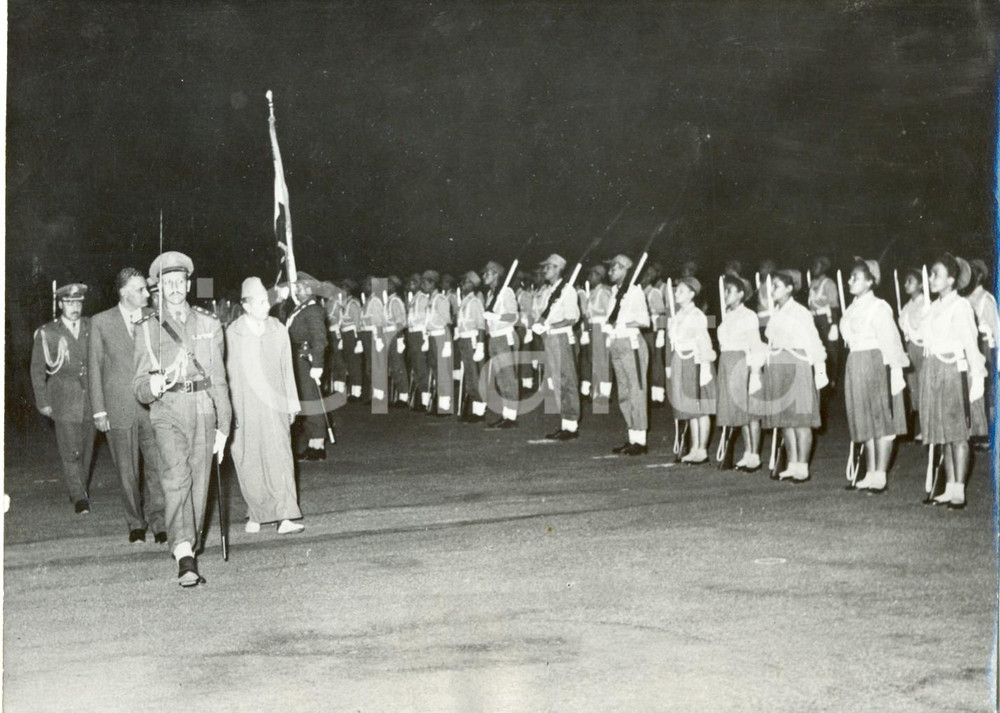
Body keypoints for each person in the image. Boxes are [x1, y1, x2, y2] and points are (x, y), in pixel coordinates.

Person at [133, 251, 230, 587]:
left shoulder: (208, 324)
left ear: (188, 284)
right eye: (167, 282)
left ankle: (190, 540)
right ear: (158, 286)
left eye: (180, 281)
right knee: (176, 477)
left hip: (203, 407)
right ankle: (184, 552)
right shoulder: (147, 328)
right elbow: (139, 387)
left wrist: (225, 426)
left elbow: (218, 379)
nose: (174, 287)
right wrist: (153, 385)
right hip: (168, 412)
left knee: (200, 483)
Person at [89, 268, 166, 542]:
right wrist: (99, 410)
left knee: (157, 466)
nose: (147, 293)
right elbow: (95, 367)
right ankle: (135, 523)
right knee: (127, 470)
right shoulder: (100, 322)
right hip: (119, 407)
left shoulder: (153, 319)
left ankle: (160, 522)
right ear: (123, 292)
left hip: (151, 405)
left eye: (146, 288)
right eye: (140, 289)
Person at [226, 277, 304, 535]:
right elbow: (226, 375)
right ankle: (256, 513)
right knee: (248, 458)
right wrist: (228, 411)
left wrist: (292, 402)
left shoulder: (278, 329)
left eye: (266, 300)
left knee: (280, 457)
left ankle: (285, 516)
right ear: (245, 306)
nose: (266, 306)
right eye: (259, 302)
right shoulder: (232, 334)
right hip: (244, 406)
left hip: (275, 405)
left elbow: (287, 369)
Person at [917, 254, 986, 509]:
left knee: (957, 434)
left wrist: (977, 375)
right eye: (931, 274)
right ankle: (948, 487)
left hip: (954, 371)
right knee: (942, 433)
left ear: (952, 279)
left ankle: (959, 490)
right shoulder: (933, 307)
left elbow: (970, 342)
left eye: (936, 274)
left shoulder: (961, 306)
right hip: (934, 370)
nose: (932, 279)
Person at [839, 259, 909, 493]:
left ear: (870, 281)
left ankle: (881, 473)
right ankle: (870, 471)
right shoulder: (851, 308)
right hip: (855, 362)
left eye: (856, 277)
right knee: (864, 419)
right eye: (850, 277)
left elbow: (890, 339)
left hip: (875, 362)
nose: (850, 281)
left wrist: (897, 369)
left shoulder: (879, 307)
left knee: (881, 418)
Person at [30, 282, 95, 514]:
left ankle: (79, 488)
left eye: (78, 302)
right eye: (69, 303)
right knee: (70, 450)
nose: (74, 307)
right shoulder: (48, 332)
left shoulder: (91, 327)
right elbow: (37, 370)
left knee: (87, 450)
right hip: (63, 397)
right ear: (60, 305)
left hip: (90, 398)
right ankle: (79, 498)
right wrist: (43, 401)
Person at [761, 269, 827, 483]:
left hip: (796, 364)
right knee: (785, 420)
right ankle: (792, 464)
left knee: (801, 419)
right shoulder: (776, 312)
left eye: (777, 286)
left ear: (790, 288)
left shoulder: (800, 312)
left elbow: (813, 340)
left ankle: (803, 466)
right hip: (778, 366)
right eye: (772, 286)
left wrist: (820, 368)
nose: (772, 291)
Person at [716, 273, 766, 472]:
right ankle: (747, 452)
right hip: (728, 363)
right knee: (739, 412)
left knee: (750, 411)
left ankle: (755, 455)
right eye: (724, 290)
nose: (725, 294)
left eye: (729, 291)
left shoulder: (748, 315)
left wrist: (754, 372)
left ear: (741, 294)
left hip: (743, 363)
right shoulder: (727, 315)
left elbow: (755, 344)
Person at [667, 276, 717, 463]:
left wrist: (704, 366)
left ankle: (702, 449)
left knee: (700, 406)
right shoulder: (678, 315)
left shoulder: (697, 315)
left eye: (680, 291)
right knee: (689, 407)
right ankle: (694, 447)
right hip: (681, 361)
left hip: (695, 361)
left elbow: (703, 342)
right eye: (676, 290)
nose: (676, 294)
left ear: (691, 294)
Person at [604, 255, 651, 455]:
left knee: (636, 391)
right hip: (617, 343)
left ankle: (640, 441)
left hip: (631, 343)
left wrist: (622, 324)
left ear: (625, 270)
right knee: (623, 393)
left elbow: (645, 321)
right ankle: (632, 437)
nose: (610, 271)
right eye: (610, 268)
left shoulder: (634, 292)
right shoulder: (614, 292)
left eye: (615, 268)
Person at [533, 254, 581, 440]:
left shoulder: (567, 290)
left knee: (567, 380)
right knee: (557, 381)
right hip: (550, 338)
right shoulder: (548, 291)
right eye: (545, 267)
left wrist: (550, 326)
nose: (545, 270)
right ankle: (565, 423)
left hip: (561, 337)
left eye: (549, 267)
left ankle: (572, 424)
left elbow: (571, 318)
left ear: (558, 268)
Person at [285, 272, 329, 460]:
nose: (296, 290)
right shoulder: (301, 308)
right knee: (305, 399)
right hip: (298, 358)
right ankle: (312, 443)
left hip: (306, 359)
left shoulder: (312, 310)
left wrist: (317, 364)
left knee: (311, 400)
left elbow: (320, 339)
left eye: (300, 287)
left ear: (310, 289)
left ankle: (318, 445)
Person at [482, 260, 520, 429]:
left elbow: (513, 317)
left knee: (508, 377)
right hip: (494, 338)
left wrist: (497, 317)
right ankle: (506, 414)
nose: (484, 276)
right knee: (500, 378)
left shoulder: (506, 292)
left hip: (505, 337)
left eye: (487, 273)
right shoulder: (491, 294)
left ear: (496, 274)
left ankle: (511, 417)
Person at [964, 258, 997, 452]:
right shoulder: (965, 300)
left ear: (978, 276)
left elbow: (997, 329)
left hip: (985, 348)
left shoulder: (986, 299)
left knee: (987, 391)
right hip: (970, 348)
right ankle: (975, 429)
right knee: (971, 389)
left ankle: (989, 433)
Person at [897, 268, 927, 439]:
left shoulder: (926, 304)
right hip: (910, 349)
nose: (906, 284)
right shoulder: (907, 306)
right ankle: (912, 428)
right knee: (912, 387)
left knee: (923, 386)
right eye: (905, 281)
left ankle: (926, 427)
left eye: (910, 281)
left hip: (923, 349)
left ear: (921, 284)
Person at [455, 271, 487, 422]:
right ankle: (475, 409)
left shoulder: (475, 302)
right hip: (464, 340)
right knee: (470, 376)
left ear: (473, 285)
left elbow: (481, 325)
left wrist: (480, 346)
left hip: (473, 340)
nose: (462, 285)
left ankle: (480, 411)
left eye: (466, 282)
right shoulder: (464, 302)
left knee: (475, 376)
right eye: (462, 282)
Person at [423, 270, 455, 415]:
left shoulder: (441, 299)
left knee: (443, 372)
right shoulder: (430, 299)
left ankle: (445, 406)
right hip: (432, 337)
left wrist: (447, 344)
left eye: (425, 282)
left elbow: (447, 323)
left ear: (432, 283)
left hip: (441, 337)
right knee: (435, 370)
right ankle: (439, 403)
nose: (422, 285)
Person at [807, 256, 841, 387]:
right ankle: (822, 378)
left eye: (816, 265)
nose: (813, 268)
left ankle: (833, 380)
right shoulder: (812, 284)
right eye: (813, 265)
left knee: (831, 350)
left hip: (826, 320)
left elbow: (834, 305)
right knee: (817, 349)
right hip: (814, 319)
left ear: (824, 268)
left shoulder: (828, 283)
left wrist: (834, 325)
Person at [581, 265, 613, 404]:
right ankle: (595, 392)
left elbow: (609, 314)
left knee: (603, 361)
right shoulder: (593, 292)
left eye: (592, 275)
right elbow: (588, 316)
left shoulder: (604, 292)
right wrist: (586, 332)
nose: (589, 278)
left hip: (601, 328)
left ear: (599, 276)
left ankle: (605, 394)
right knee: (593, 360)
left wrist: (608, 333)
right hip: (592, 327)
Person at [405, 273, 430, 409]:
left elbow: (426, 319)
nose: (411, 284)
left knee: (421, 366)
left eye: (414, 282)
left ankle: (426, 399)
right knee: (415, 365)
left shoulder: (423, 298)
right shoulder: (413, 298)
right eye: (410, 282)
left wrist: (425, 337)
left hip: (420, 333)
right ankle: (421, 396)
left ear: (420, 283)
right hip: (412, 334)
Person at [385, 276, 410, 407]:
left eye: (389, 284)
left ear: (394, 287)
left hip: (395, 335)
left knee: (398, 365)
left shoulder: (395, 301)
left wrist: (400, 339)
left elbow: (400, 322)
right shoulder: (388, 300)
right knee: (393, 366)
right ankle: (399, 394)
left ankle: (404, 396)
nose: (386, 287)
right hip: (388, 335)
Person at [340, 279, 364, 402]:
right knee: (349, 363)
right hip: (345, 335)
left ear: (349, 290)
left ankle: (357, 392)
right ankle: (352, 391)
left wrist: (359, 341)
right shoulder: (344, 303)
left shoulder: (353, 304)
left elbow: (358, 323)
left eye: (344, 288)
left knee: (355, 364)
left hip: (352, 336)